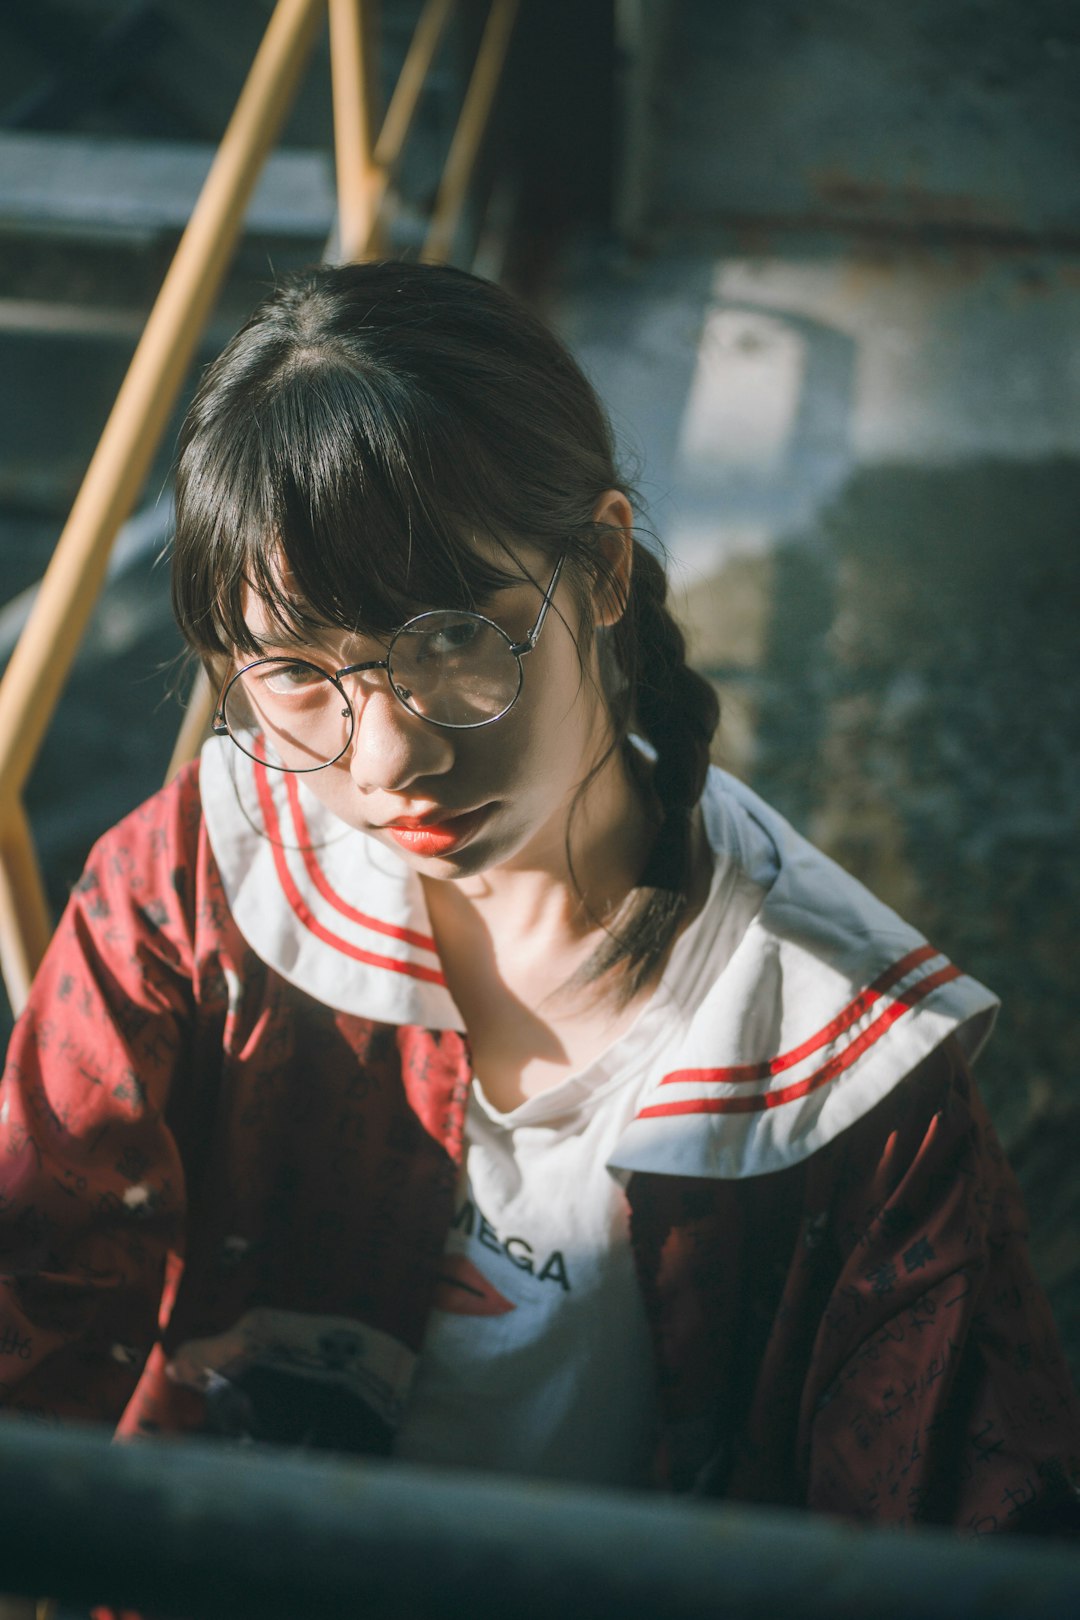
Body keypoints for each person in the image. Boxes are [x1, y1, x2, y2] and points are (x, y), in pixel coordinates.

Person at [1, 260, 1078, 1535]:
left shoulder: (844, 1061)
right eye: (296, 672)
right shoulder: (201, 880)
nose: (388, 759)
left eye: (454, 634)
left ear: (606, 566)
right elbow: (35, 1297)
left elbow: (968, 1529)